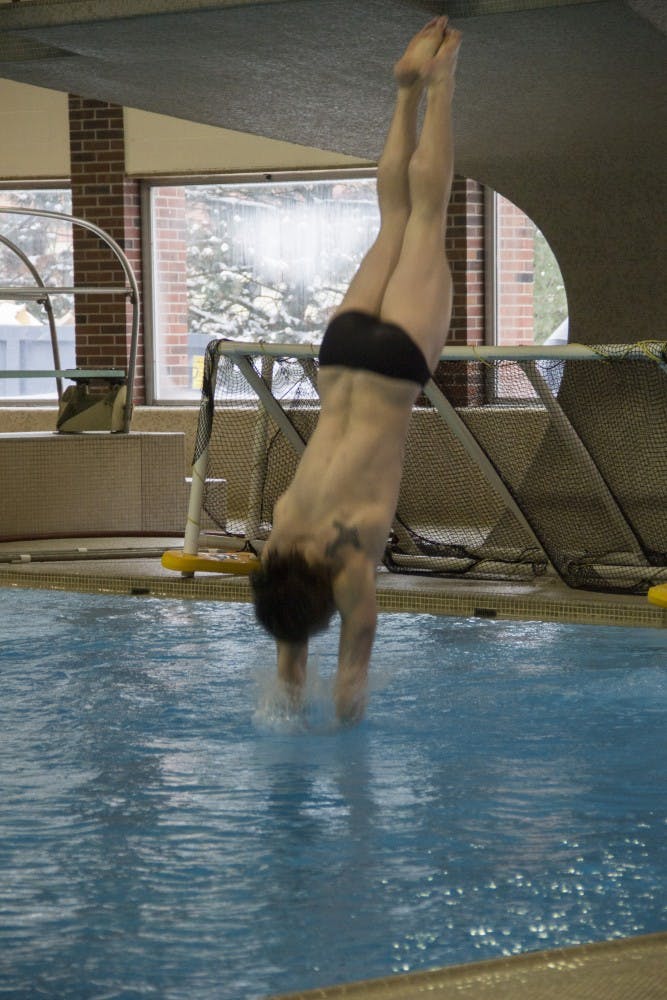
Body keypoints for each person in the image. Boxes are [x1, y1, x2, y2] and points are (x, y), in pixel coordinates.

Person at [251, 17, 462, 723]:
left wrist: (334, 700)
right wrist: (290, 660)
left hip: (395, 366)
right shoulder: (281, 536)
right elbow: (287, 616)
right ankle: (404, 95)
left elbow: (347, 685)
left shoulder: (347, 556)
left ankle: (441, 83)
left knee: (426, 217)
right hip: (338, 354)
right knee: (392, 218)